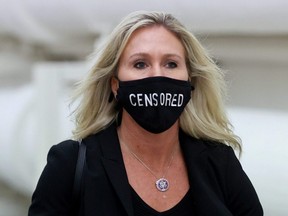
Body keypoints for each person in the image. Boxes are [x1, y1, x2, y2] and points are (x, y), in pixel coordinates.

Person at [28, 11, 263, 216]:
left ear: (189, 80)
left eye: (171, 64)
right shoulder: (69, 165)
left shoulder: (220, 163)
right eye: (140, 64)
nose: (156, 76)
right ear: (115, 85)